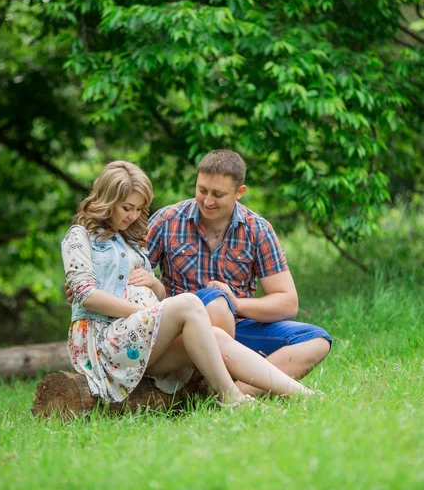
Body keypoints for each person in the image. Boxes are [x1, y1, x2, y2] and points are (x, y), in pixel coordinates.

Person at [62, 160, 314, 407]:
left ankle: (305, 395)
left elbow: (157, 293)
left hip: (140, 340)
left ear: (239, 193)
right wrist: (148, 313)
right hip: (106, 341)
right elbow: (86, 294)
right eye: (127, 208)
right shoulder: (79, 236)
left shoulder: (130, 241)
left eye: (139, 209)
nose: (133, 216)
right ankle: (231, 398)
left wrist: (154, 285)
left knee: (215, 335)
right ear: (107, 200)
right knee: (192, 303)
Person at [147, 149, 332, 395]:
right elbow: (131, 274)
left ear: (239, 192)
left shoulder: (258, 229)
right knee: (213, 302)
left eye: (218, 194)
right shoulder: (167, 220)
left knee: (316, 341)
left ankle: (235, 391)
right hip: (182, 333)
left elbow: (287, 302)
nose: (208, 200)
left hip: (238, 331)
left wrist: (236, 304)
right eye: (202, 190)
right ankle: (216, 383)